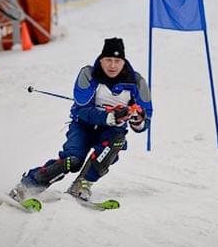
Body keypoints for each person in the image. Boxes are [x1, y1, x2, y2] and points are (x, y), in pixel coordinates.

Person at [9, 37, 153, 203]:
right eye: (108, 60)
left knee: (116, 143)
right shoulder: (88, 74)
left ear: (123, 61)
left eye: (117, 61)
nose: (112, 66)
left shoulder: (136, 81)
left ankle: (82, 185)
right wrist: (111, 116)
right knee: (72, 161)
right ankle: (27, 186)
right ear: (101, 59)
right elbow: (83, 110)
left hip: (112, 131)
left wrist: (137, 118)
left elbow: (145, 118)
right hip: (84, 127)